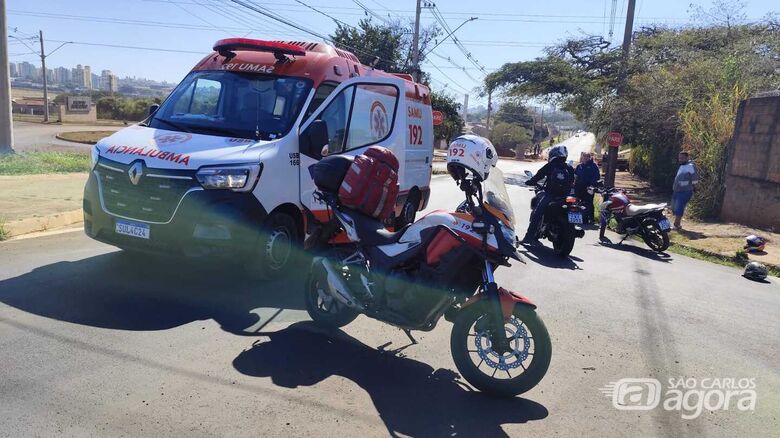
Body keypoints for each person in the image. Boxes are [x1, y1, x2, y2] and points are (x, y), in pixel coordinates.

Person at [522, 144, 575, 244]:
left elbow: (538, 175)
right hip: (566, 197)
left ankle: (528, 237)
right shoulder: (569, 168)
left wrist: (530, 181)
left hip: (551, 195)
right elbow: (573, 182)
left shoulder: (550, 165)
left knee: (537, 213)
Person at [671, 151, 699, 230]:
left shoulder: (690, 166)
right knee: (674, 207)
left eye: (682, 158)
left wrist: (695, 188)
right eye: (679, 158)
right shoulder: (682, 166)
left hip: (685, 191)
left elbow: (695, 179)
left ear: (687, 158)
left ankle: (676, 225)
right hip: (677, 190)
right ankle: (677, 224)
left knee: (679, 206)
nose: (680, 159)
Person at [574, 152, 600, 224]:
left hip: (589, 188)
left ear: (589, 157)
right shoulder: (579, 166)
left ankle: (591, 219)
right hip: (579, 187)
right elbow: (575, 176)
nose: (585, 158)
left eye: (586, 157)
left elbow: (596, 177)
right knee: (578, 202)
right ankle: (579, 218)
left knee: (589, 203)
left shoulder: (593, 166)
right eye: (583, 156)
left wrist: (592, 185)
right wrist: (573, 184)